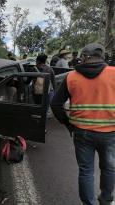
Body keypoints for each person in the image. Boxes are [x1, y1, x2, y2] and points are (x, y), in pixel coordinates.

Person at [51, 43, 115, 205]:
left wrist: (68, 124)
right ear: (102, 57)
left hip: (81, 132)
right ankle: (106, 199)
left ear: (84, 57)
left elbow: (56, 104)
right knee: (109, 168)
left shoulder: (71, 76)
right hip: (110, 132)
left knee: (86, 171)